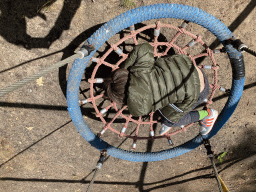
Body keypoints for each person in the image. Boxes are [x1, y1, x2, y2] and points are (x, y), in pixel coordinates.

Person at [103, 43, 218, 136]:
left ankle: (207, 114)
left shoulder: (138, 108)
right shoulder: (139, 69)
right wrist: (126, 68)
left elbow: (137, 111)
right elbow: (143, 48)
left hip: (199, 92)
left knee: (171, 119)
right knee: (162, 70)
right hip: (192, 68)